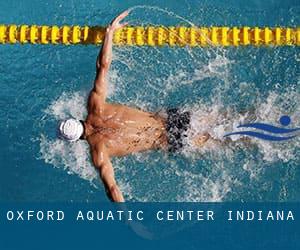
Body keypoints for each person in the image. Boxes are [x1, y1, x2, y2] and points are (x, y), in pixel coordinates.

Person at [58, 11, 210, 202]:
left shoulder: (99, 152)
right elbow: (103, 66)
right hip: (172, 118)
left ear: (76, 140)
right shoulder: (95, 105)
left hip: (171, 140)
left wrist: (130, 221)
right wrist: (109, 33)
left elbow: (112, 189)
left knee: (228, 141)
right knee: (226, 118)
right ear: (76, 119)